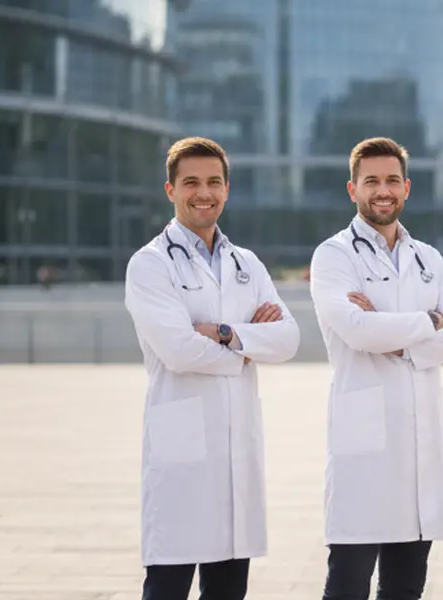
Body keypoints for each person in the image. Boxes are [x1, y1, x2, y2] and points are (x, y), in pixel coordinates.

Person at [123, 136, 302, 600]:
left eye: (213, 182)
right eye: (191, 183)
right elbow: (178, 350)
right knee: (167, 588)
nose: (203, 192)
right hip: (179, 450)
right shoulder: (149, 265)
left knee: (228, 591)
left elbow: (288, 340)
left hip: (234, 452)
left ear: (227, 189)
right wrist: (247, 342)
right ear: (170, 190)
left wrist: (222, 332)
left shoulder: (247, 263)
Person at [307, 137, 443, 600]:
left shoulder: (428, 259)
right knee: (347, 586)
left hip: (419, 454)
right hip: (362, 451)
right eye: (372, 181)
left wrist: (400, 341)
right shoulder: (333, 256)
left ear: (407, 188)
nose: (383, 190)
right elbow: (357, 331)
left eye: (392, 181)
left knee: (405, 589)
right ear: (352, 189)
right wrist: (428, 322)